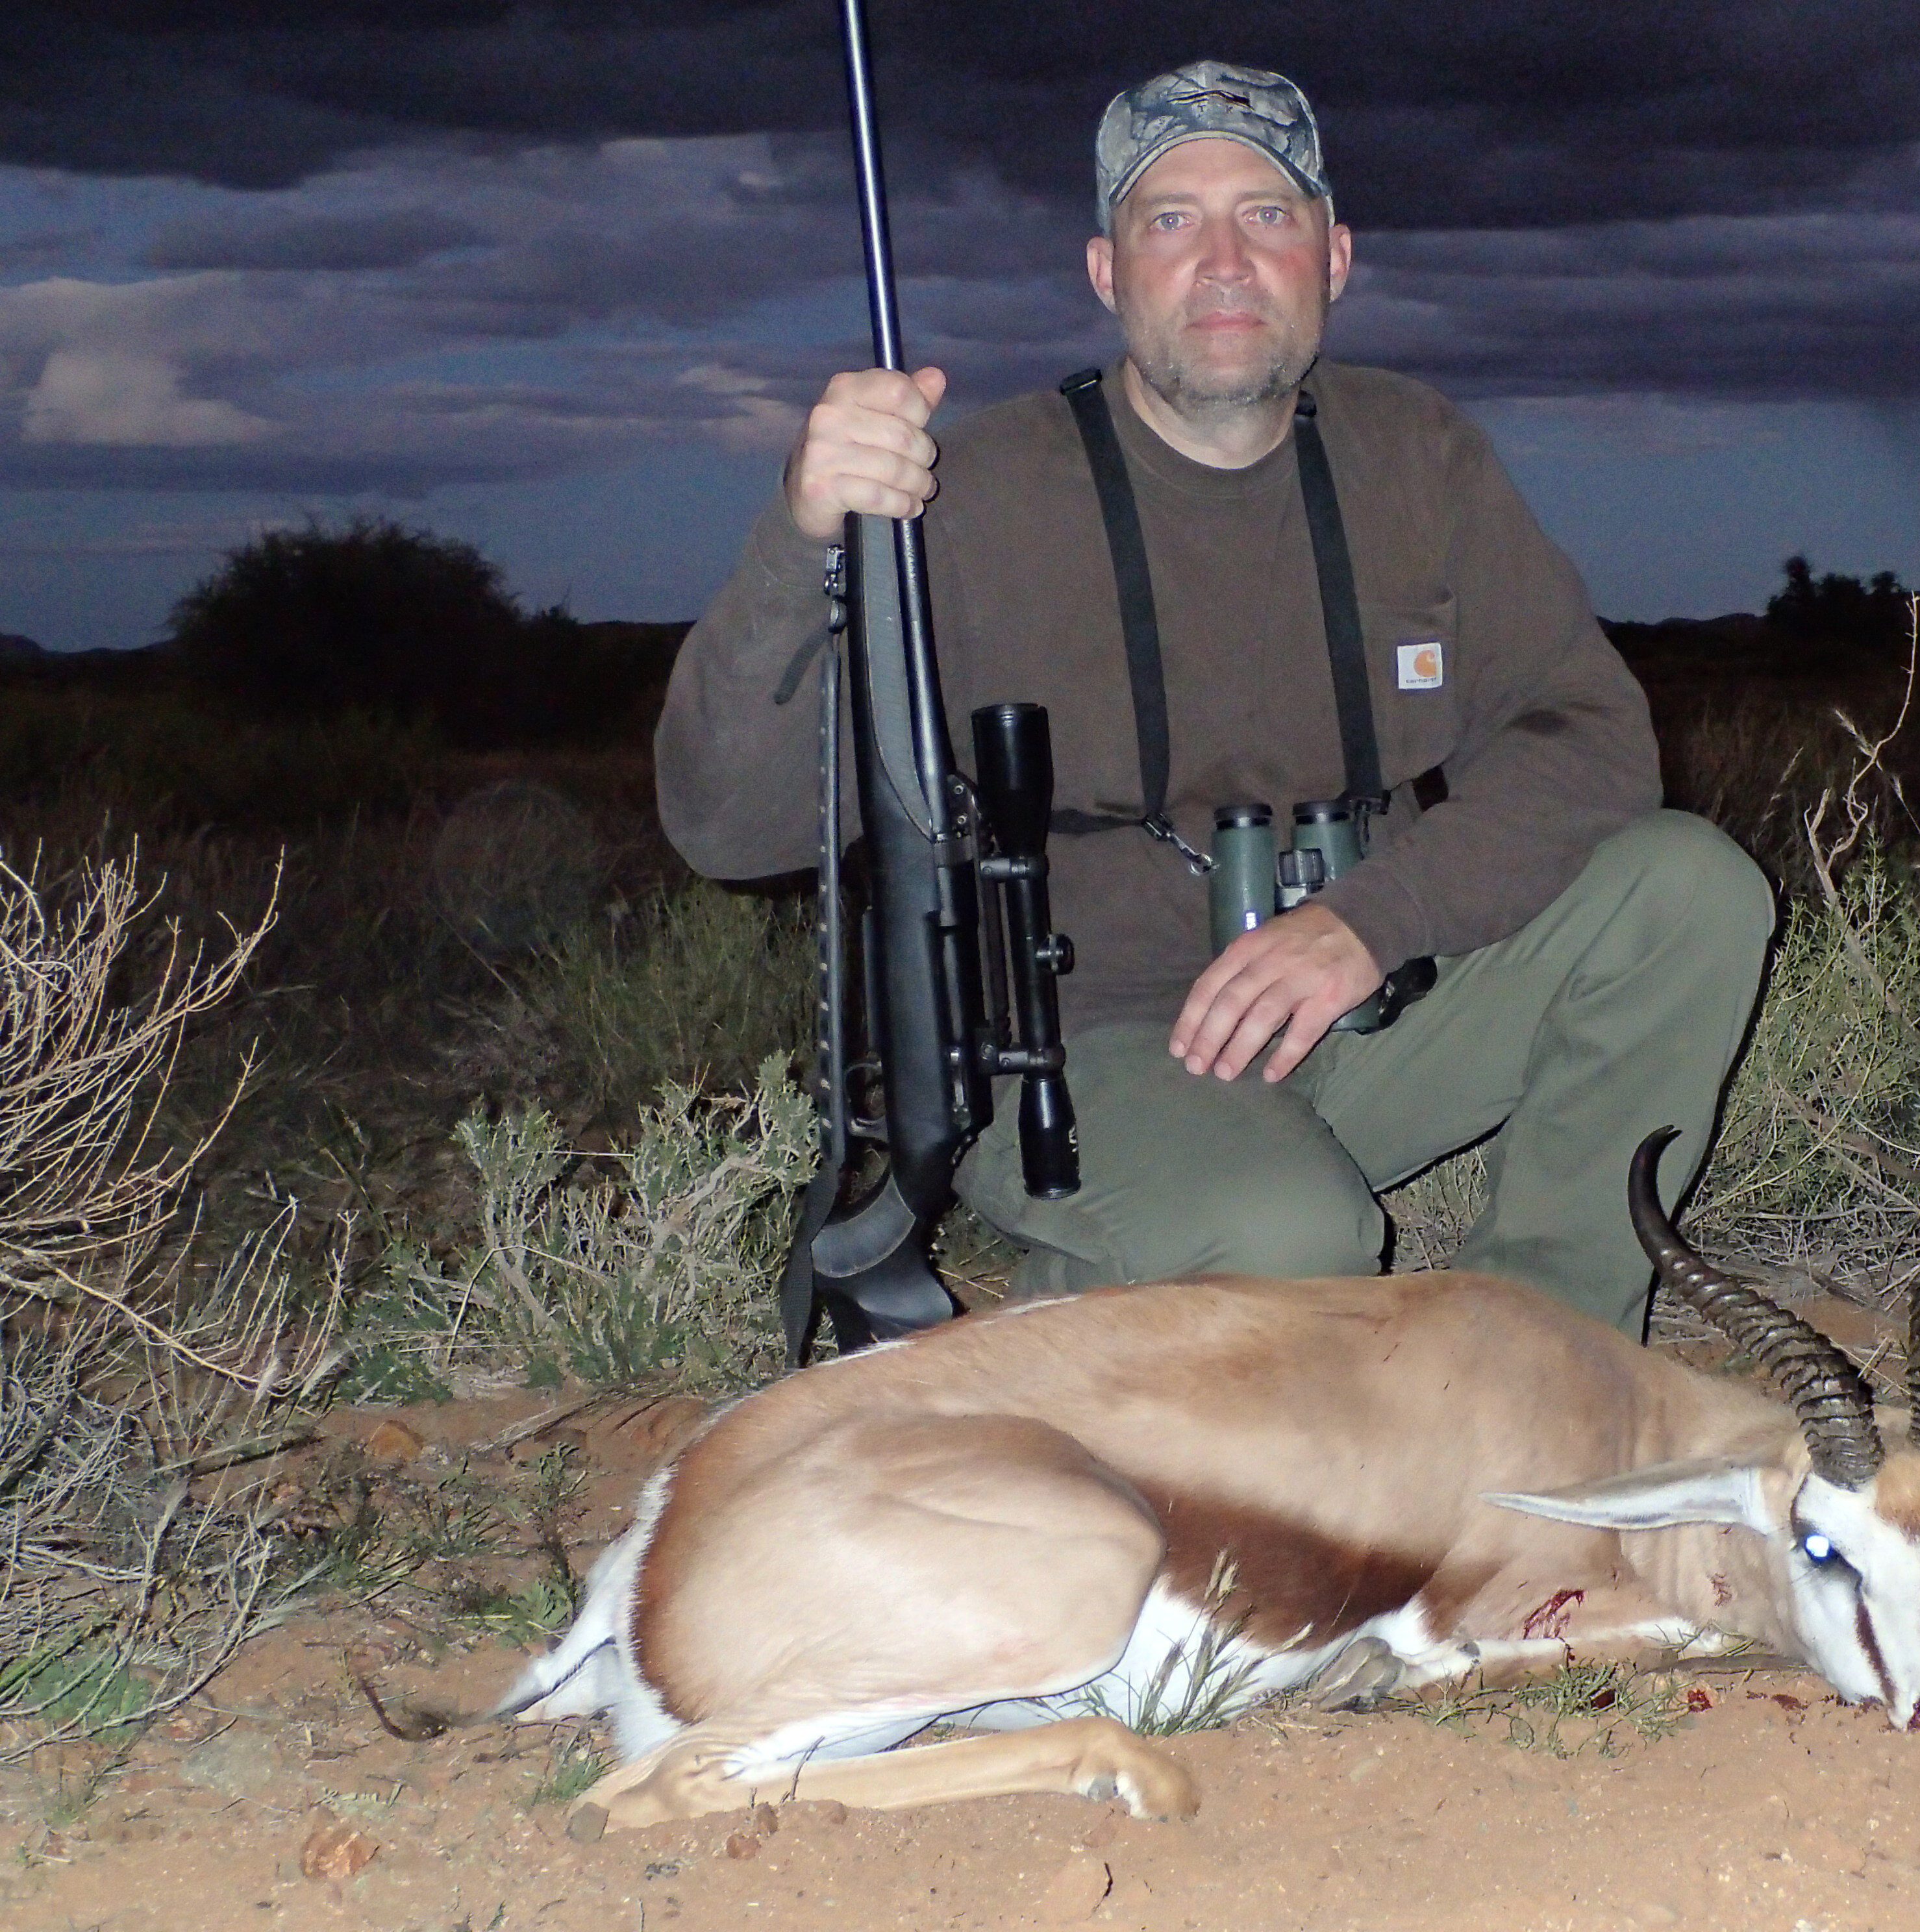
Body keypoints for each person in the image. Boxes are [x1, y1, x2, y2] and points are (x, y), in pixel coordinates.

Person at [656, 60, 1775, 1338]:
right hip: (1090, 1065)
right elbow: (726, 826)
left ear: (1334, 255)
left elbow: (1590, 740)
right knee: (1298, 1235)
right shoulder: (965, 492)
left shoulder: (1415, 450)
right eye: (1172, 220)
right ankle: (1110, 1316)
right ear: (1107, 270)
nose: (1226, 261)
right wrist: (803, 540)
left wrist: (1375, 919)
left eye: (1269, 213)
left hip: (1370, 1004)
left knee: (1688, 890)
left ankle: (1540, 1355)